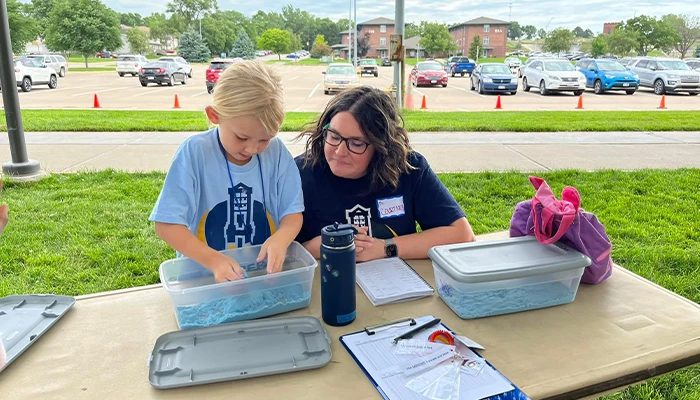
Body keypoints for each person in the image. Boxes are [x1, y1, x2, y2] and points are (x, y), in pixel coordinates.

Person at [150, 61, 304, 283]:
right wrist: (214, 261)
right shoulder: (195, 152)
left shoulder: (277, 152)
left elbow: (292, 213)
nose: (252, 149)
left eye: (264, 139)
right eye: (241, 137)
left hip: (263, 278)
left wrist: (282, 238)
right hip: (203, 279)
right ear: (215, 116)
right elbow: (166, 225)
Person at [295, 86, 475, 261]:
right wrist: (316, 247)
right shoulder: (300, 174)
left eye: (356, 143)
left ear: (382, 147)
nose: (340, 151)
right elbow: (276, 249)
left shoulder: (408, 167)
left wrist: (384, 248)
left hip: (395, 283)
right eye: (334, 136)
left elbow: (462, 234)